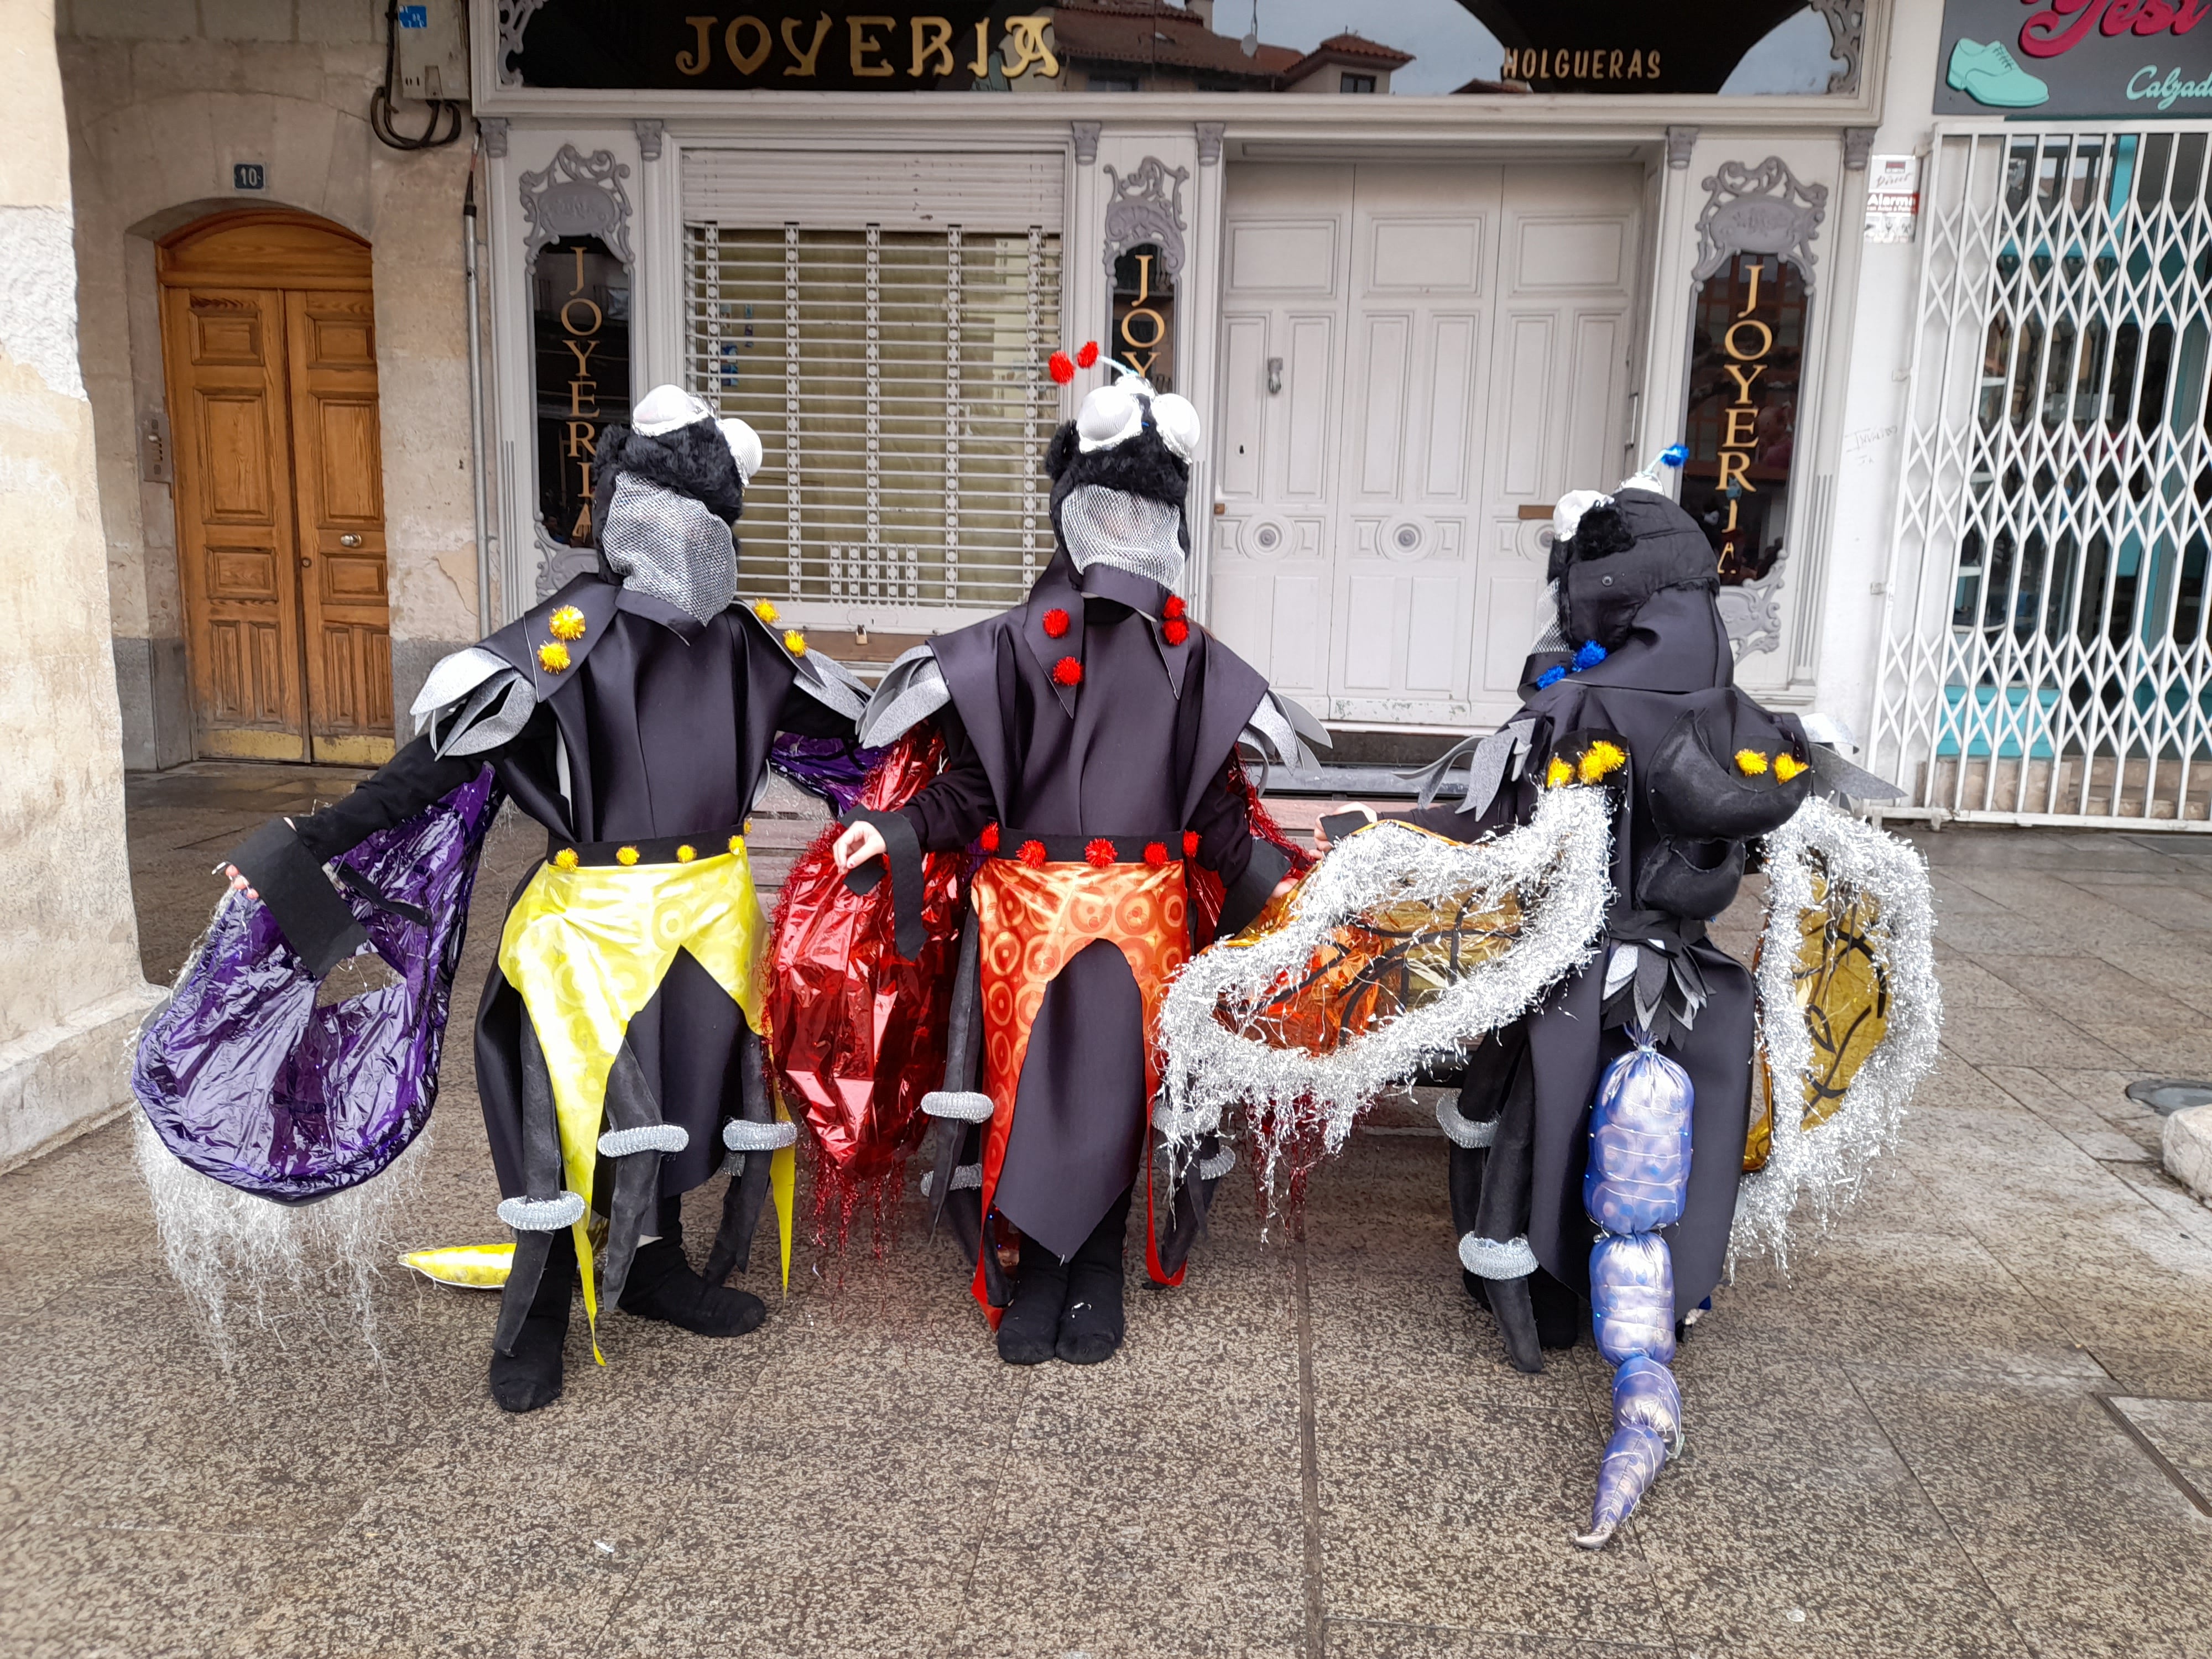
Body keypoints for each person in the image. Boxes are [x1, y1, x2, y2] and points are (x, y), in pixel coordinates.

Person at [222, 386, 864, 1411]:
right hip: (591, 930)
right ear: (628, 507)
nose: (686, 540)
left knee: (688, 1102)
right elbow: (430, 768)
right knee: (567, 1126)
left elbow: (860, 739)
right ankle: (541, 1313)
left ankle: (652, 1269)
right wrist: (305, 842)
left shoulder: (748, 642)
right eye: (664, 510)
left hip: (711, 918)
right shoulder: (567, 636)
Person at [832, 363, 1307, 1366]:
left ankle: (1092, 1268)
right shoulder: (1000, 651)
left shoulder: (1200, 668)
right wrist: (903, 829)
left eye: (1149, 514)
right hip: (1025, 915)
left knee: (1120, 1084)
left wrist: (1297, 885)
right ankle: (1036, 1264)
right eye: (1112, 509)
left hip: (1143, 918)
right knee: (1027, 1084)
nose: (1130, 535)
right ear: (1073, 512)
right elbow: (969, 790)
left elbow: (1219, 820)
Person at [1314, 460, 1813, 1373]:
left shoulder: (1585, 705)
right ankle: (1632, 1287)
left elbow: (1503, 826)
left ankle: (1534, 1277)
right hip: (1688, 972)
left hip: (1577, 967)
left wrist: (1384, 837)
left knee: (1534, 1121)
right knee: (1635, 1130)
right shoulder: (1744, 717)